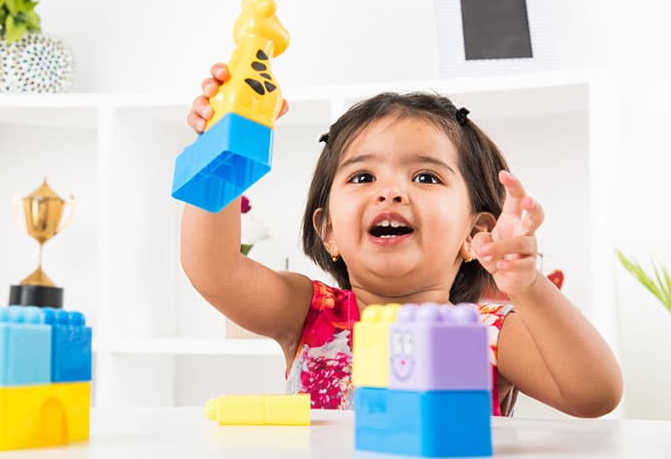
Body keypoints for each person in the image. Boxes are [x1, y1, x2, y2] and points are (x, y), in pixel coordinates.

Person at [181, 63, 623, 417]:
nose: (390, 191)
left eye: (425, 176)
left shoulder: (486, 331)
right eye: (362, 176)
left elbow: (594, 395)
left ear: (474, 234)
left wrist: (527, 285)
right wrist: (225, 147)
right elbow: (215, 270)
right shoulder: (307, 314)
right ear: (329, 231)